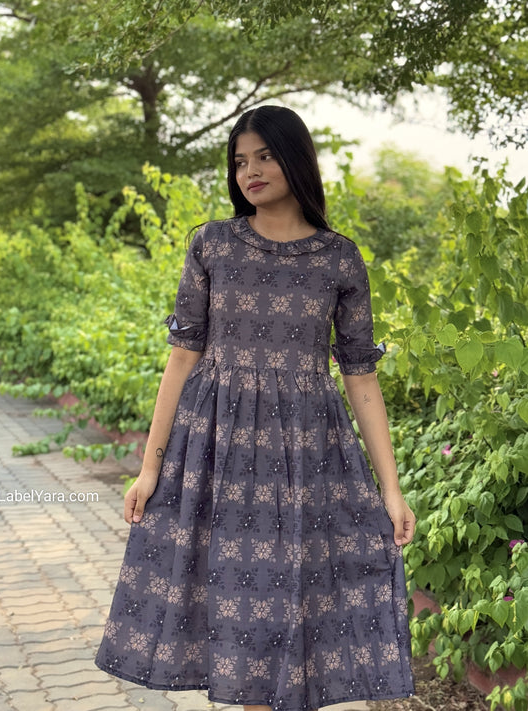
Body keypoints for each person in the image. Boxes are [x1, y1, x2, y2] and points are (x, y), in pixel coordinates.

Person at [95, 105, 416, 711]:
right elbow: (182, 359)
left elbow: (361, 377)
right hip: (217, 449)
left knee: (294, 608)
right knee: (240, 616)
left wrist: (391, 490)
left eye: (265, 156)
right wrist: (149, 467)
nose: (251, 171)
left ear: (296, 158)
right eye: (240, 161)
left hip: (308, 456)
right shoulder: (213, 245)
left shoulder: (338, 259)